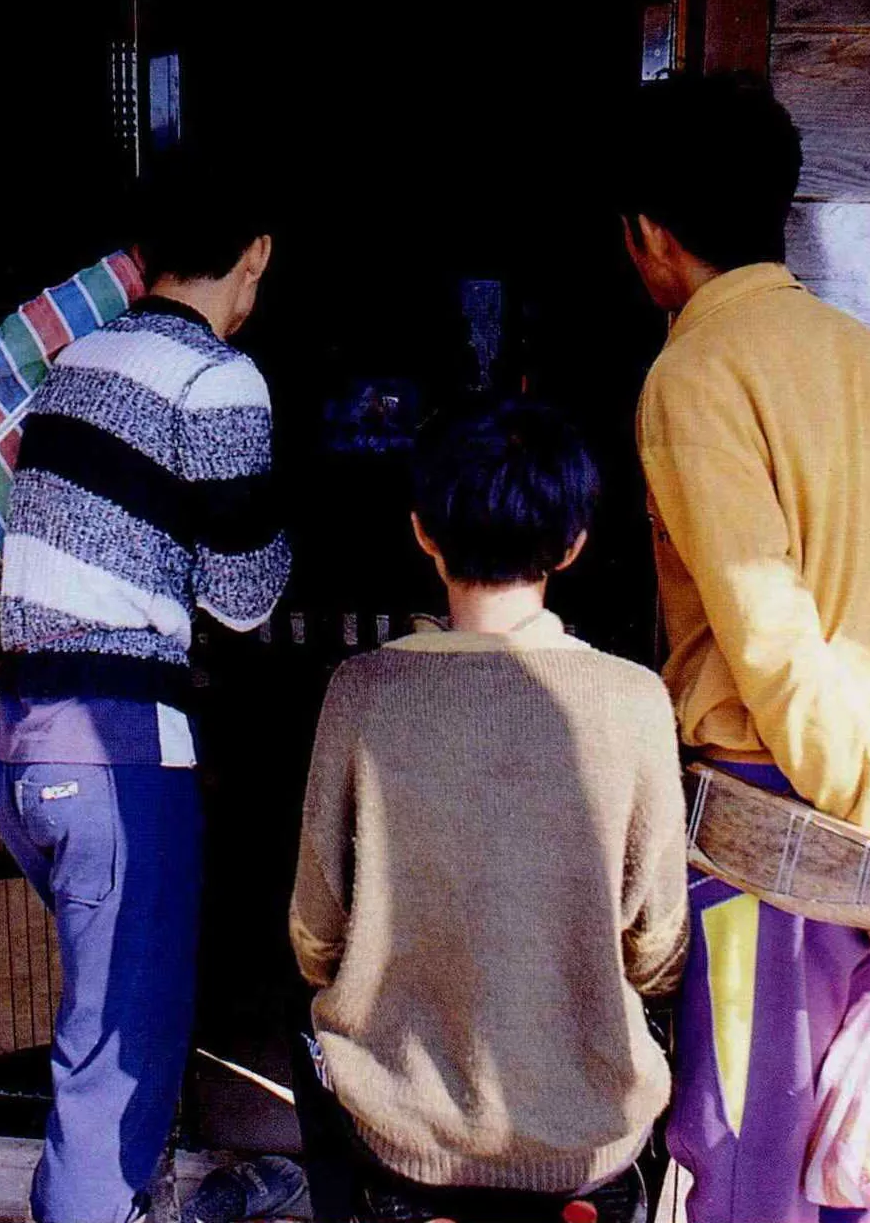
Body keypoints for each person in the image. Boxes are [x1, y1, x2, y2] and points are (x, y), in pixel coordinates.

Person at [0, 149, 291, 1223]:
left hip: (20, 749)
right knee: (112, 1066)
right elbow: (245, 598)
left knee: (107, 1036)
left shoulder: (74, 362)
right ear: (256, 253)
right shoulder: (218, 378)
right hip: (114, 756)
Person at [288, 395, 689, 1222]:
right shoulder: (635, 700)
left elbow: (316, 932)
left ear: (422, 532)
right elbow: (658, 949)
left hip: (403, 1140)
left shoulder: (364, 692)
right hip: (591, 1146)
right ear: (574, 545)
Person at [618, 72, 870, 1223]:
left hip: (777, 835)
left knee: (753, 1156)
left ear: (648, 235)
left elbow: (769, 637)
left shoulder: (693, 373)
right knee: (857, 1156)